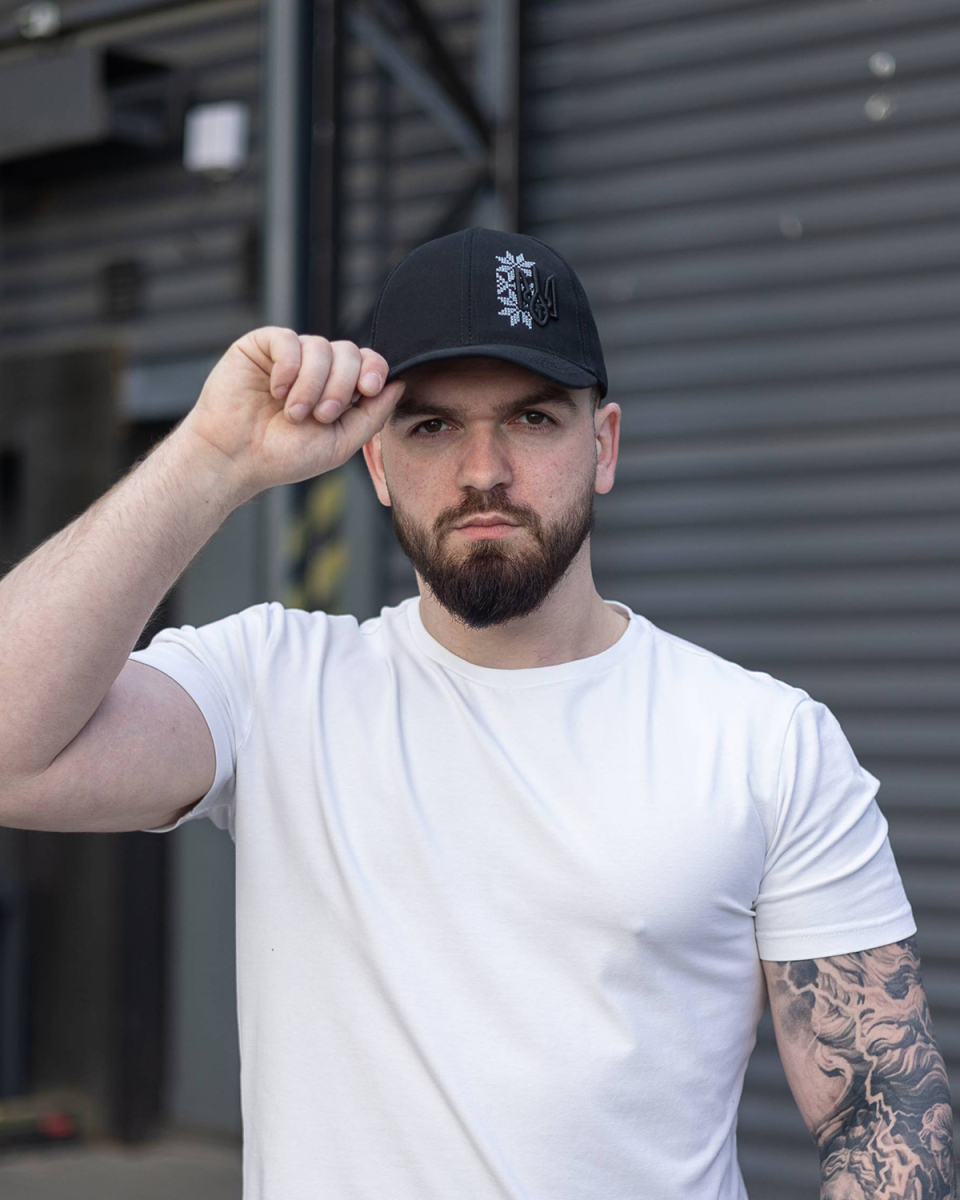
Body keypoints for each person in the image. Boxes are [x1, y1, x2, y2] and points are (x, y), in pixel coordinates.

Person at [0, 227, 951, 1200]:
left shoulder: (766, 741)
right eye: (432, 426)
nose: (484, 469)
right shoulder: (273, 685)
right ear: (375, 464)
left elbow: (884, 1106)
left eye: (532, 419)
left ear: (603, 444)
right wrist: (211, 458)